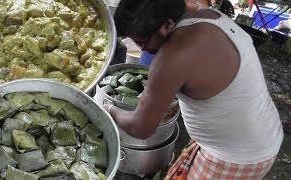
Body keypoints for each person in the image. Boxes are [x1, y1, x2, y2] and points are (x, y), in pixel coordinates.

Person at [106, 0, 284, 179]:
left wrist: (108, 108)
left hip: (237, 157)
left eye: (142, 42)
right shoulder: (204, 12)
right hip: (262, 130)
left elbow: (141, 127)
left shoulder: (173, 56)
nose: (141, 48)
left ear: (167, 24)